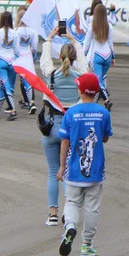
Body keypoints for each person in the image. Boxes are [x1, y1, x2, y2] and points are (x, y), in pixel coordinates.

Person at [57, 73, 113, 256]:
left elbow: (65, 142)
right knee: (92, 207)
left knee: (72, 201)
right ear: (96, 92)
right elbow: (105, 137)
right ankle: (87, 244)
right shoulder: (103, 113)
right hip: (96, 169)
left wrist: (61, 166)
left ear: (80, 91)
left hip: (73, 168)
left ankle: (70, 226)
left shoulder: (71, 113)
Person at [39, 36, 87, 226]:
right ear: (74, 58)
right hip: (72, 127)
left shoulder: (50, 75)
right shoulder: (80, 77)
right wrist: (75, 41)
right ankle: (68, 211)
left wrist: (49, 39)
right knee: (67, 171)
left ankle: (52, 213)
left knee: (52, 172)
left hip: (51, 126)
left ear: (59, 57)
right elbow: (84, 63)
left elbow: (44, 60)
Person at [83, 3, 115, 108]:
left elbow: (87, 44)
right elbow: (110, 43)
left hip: (96, 56)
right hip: (108, 56)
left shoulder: (91, 26)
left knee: (98, 80)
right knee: (100, 80)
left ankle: (106, 99)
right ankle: (94, 104)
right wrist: (113, 57)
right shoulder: (109, 26)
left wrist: (82, 56)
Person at [0, 11, 21, 120]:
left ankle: (13, 110)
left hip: (1, 60)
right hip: (12, 61)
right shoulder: (15, 33)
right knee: (5, 86)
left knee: (5, 85)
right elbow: (18, 51)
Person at [15, 6, 40, 114]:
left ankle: (29, 101)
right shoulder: (32, 31)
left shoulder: (16, 31)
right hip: (28, 55)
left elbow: (15, 47)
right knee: (29, 78)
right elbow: (34, 47)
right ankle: (30, 100)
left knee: (23, 79)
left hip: (20, 56)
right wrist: (32, 55)